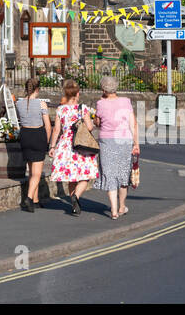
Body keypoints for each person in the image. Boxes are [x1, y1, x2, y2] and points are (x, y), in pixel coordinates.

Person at [48, 79, 98, 214]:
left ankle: (74, 204)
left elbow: (56, 130)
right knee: (86, 175)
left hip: (65, 145)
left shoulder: (61, 109)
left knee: (71, 177)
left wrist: (52, 147)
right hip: (80, 145)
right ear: (77, 94)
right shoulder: (83, 108)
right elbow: (89, 127)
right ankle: (76, 196)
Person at [92, 75, 138, 219]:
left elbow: (98, 123)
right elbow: (133, 124)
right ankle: (122, 206)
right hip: (124, 140)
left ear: (103, 89)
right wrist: (136, 144)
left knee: (110, 174)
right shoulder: (126, 102)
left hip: (107, 141)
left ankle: (113, 210)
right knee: (123, 174)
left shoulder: (100, 103)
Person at [14, 76, 52, 212]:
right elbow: (48, 126)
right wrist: (48, 142)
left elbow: (21, 119)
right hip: (38, 136)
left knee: (31, 171)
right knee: (37, 173)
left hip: (25, 135)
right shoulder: (42, 104)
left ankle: (35, 200)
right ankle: (29, 198)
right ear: (38, 89)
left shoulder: (18, 103)